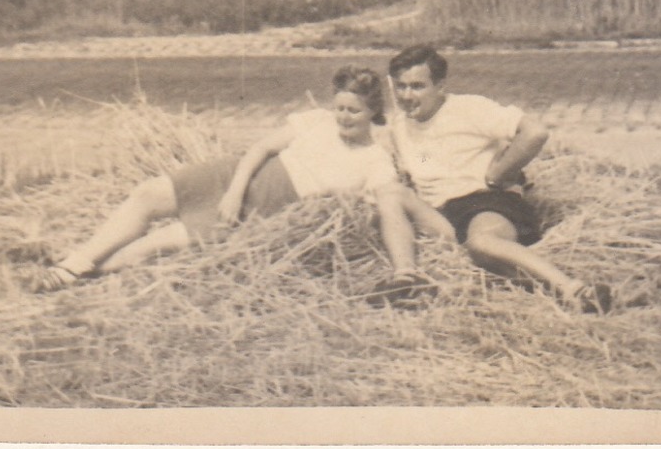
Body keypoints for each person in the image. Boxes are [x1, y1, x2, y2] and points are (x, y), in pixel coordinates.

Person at [33, 66, 417, 292]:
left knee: (151, 246)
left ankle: (79, 277)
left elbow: (384, 207)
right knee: (147, 194)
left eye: (354, 111)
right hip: (235, 176)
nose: (344, 117)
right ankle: (75, 263)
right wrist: (234, 191)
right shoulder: (315, 121)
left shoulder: (375, 161)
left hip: (267, 206)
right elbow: (259, 150)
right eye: (340, 108)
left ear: (373, 113)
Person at [374, 44, 612, 314]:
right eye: (401, 87)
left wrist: (498, 174)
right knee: (389, 192)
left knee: (481, 243)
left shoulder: (470, 109)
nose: (406, 95)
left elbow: (534, 133)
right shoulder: (401, 127)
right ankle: (406, 278)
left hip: (485, 203)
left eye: (417, 86)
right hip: (442, 214)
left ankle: (575, 291)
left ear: (439, 85)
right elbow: (426, 163)